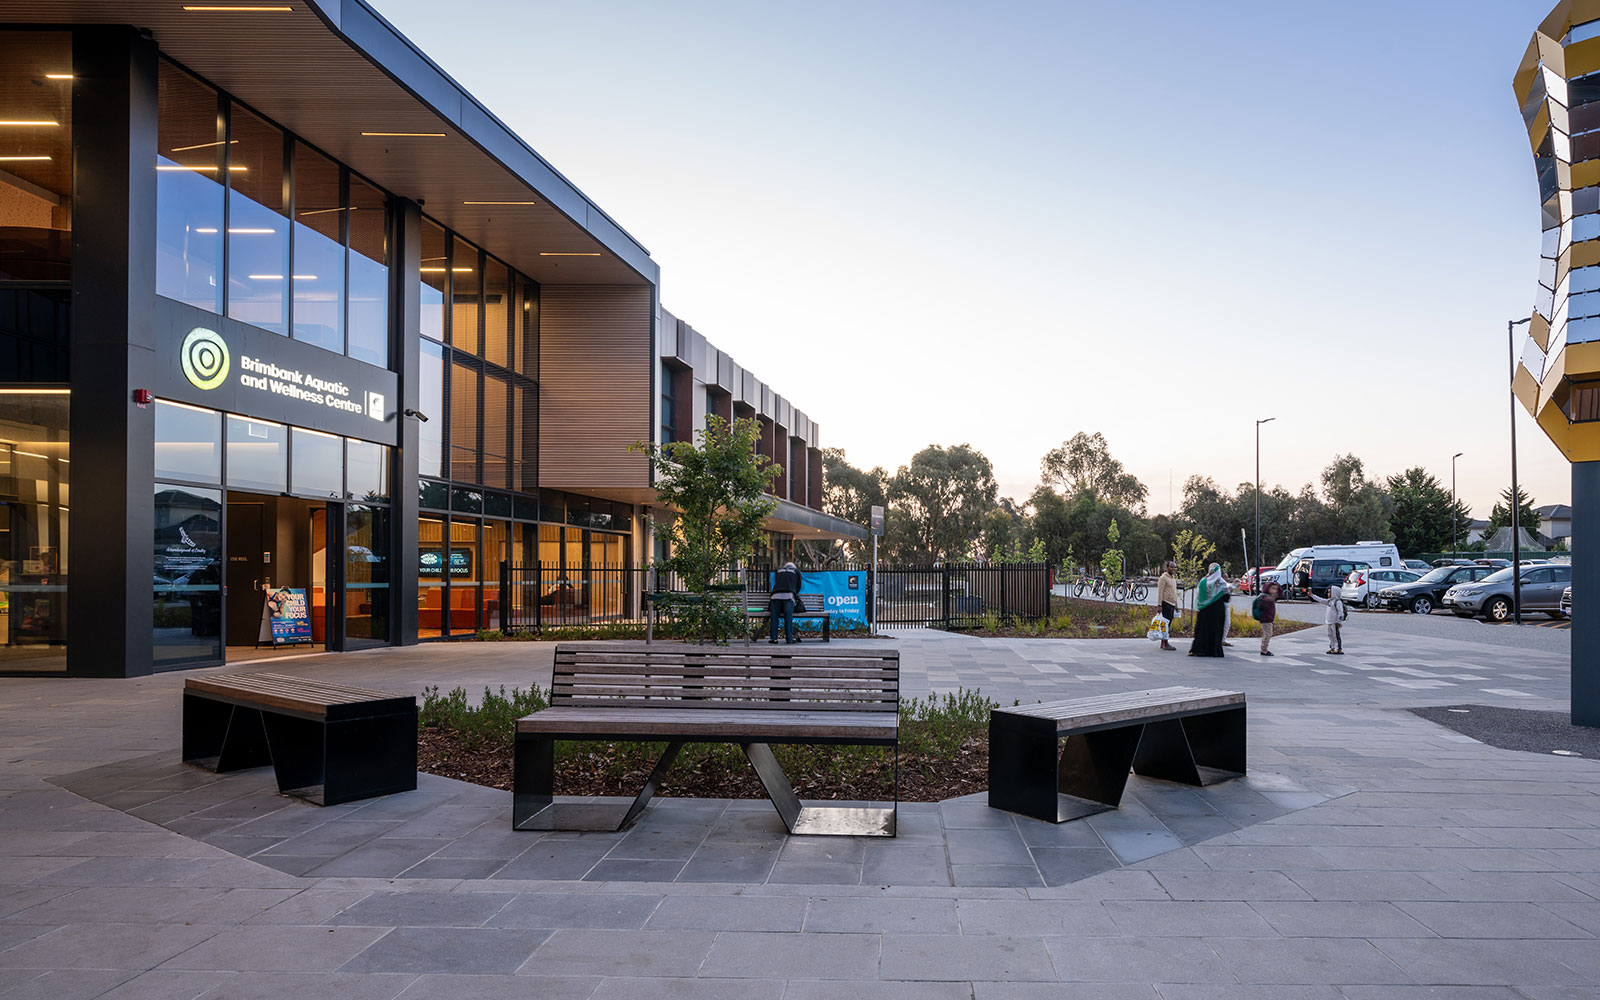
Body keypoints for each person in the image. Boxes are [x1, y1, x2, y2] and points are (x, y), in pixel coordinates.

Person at [1188, 563, 1229, 657]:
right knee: (1216, 630)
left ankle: (1200, 650)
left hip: (1204, 610)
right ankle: (1214, 651)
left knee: (1202, 629)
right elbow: (1226, 597)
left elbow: (1198, 597)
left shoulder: (1203, 581)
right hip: (1217, 611)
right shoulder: (1221, 582)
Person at [769, 561, 802, 644]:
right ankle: (789, 639)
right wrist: (794, 593)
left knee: (774, 618)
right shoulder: (796, 571)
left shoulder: (778, 570)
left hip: (775, 596)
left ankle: (774, 638)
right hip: (788, 596)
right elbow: (798, 586)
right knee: (788, 618)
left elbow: (777, 582)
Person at [1309, 584, 1345, 654]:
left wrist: (1339, 621)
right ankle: (1332, 647)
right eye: (1328, 592)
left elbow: (1341, 613)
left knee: (1336, 635)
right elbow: (1321, 600)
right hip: (1329, 622)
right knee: (1330, 635)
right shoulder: (1329, 601)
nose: (1328, 594)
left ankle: (1338, 648)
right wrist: (1312, 595)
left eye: (1330, 592)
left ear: (1335, 593)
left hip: (1335, 622)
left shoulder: (1337, 602)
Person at [1156, 560, 1180, 651]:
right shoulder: (1163, 578)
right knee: (1165, 624)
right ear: (1167, 568)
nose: (1173, 569)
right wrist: (1159, 605)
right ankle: (1165, 643)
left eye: (1174, 567)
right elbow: (1160, 592)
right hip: (1166, 603)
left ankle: (1163, 643)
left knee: (1167, 624)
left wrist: (1176, 605)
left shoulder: (1173, 578)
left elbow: (1174, 592)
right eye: (1171, 567)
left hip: (1172, 603)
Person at [1257, 581, 1279, 656]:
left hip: (1269, 618)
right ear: (1267, 588)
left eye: (1275, 589)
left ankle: (1264, 649)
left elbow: (1279, 595)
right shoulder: (1265, 597)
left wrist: (1278, 586)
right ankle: (1264, 650)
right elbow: (1261, 607)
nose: (1274, 591)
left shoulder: (1270, 597)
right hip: (1266, 619)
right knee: (1268, 634)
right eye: (1273, 589)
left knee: (1268, 634)